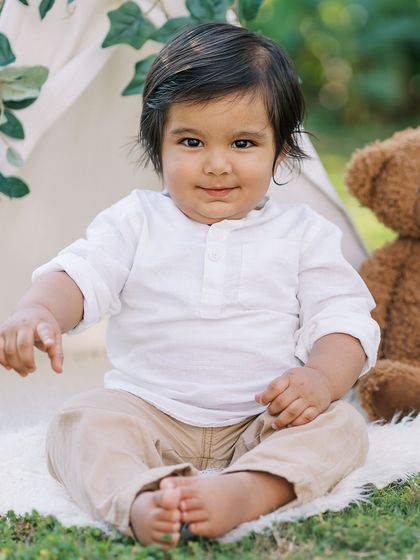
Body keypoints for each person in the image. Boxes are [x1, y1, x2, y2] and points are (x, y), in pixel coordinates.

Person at [0, 23, 380, 550]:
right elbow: (82, 274)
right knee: (77, 422)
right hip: (149, 410)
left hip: (262, 416)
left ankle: (248, 489)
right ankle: (140, 498)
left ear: (282, 151)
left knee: (342, 428)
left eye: (243, 142)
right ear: (159, 146)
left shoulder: (303, 235)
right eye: (192, 141)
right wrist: (39, 311)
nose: (217, 163)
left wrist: (320, 377)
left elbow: (343, 318)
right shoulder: (136, 221)